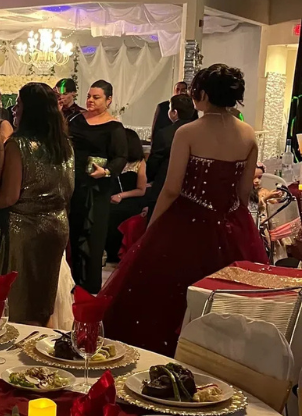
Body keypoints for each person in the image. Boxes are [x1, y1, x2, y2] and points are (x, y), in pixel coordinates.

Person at [99, 64, 268, 356]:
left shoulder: (189, 132)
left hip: (185, 225)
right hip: (232, 225)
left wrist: (153, 226)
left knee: (161, 299)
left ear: (201, 94)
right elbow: (242, 193)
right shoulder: (248, 134)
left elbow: (172, 188)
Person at [0, 82, 74, 325]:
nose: (14, 110)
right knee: (44, 299)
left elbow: (10, 196)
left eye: (18, 105)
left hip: (24, 230)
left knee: (20, 302)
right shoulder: (64, 144)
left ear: (30, 110)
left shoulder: (19, 145)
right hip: (57, 226)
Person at [67, 80, 127, 293]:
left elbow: (121, 157)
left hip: (98, 187)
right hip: (73, 183)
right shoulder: (75, 120)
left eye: (96, 97)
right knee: (71, 233)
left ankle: (89, 286)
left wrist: (107, 171)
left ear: (109, 100)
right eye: (89, 96)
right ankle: (69, 283)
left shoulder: (114, 127)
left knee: (93, 235)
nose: (90, 100)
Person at [105, 128, 147, 264]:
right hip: (110, 197)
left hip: (131, 198)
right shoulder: (111, 161)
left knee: (121, 213)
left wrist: (121, 195)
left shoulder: (139, 163)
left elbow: (141, 190)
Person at [146, 93, 196, 205]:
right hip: (192, 188)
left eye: (169, 108)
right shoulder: (200, 132)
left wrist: (148, 178)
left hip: (165, 186)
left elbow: (154, 162)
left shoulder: (165, 134)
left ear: (174, 113)